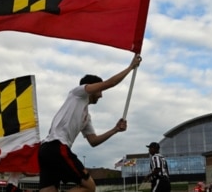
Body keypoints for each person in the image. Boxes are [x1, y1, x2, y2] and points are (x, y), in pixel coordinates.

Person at [38, 54, 142, 192]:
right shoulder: (77, 93)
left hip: (46, 151)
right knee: (89, 187)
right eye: (100, 90)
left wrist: (115, 129)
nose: (101, 95)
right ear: (93, 87)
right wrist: (131, 67)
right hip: (57, 147)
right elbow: (110, 83)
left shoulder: (86, 116)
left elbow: (93, 141)